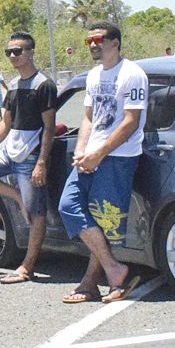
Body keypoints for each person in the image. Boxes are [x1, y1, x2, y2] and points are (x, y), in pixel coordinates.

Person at [58, 22, 147, 304]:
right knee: (68, 207)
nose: (93, 45)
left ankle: (90, 282)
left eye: (98, 39)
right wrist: (82, 150)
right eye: (89, 41)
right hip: (90, 155)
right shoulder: (94, 76)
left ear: (115, 42)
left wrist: (101, 153)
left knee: (103, 218)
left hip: (118, 157)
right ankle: (113, 268)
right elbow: (88, 118)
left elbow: (131, 122)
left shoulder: (132, 74)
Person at [0, 32, 58, 283]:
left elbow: (49, 128)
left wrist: (41, 162)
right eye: (9, 52)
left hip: (30, 157)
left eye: (18, 51)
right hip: (9, 152)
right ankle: (14, 195)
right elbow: (6, 123)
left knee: (36, 213)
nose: (13, 56)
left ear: (31, 53)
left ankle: (27, 267)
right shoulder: (14, 85)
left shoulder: (44, 85)